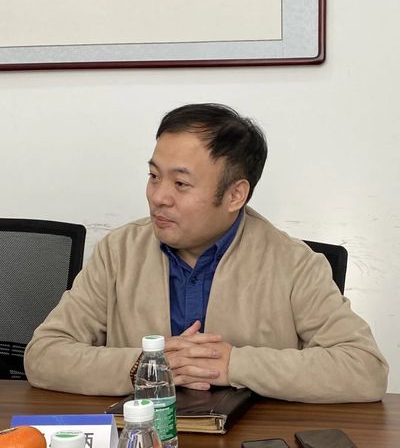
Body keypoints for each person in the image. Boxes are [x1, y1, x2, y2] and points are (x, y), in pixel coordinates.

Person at [24, 103, 388, 402]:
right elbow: (44, 355)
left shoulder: (294, 264)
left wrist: (232, 365)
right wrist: (146, 366)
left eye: (181, 183)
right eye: (154, 176)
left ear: (235, 195)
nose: (158, 196)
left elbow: (364, 369)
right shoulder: (119, 252)